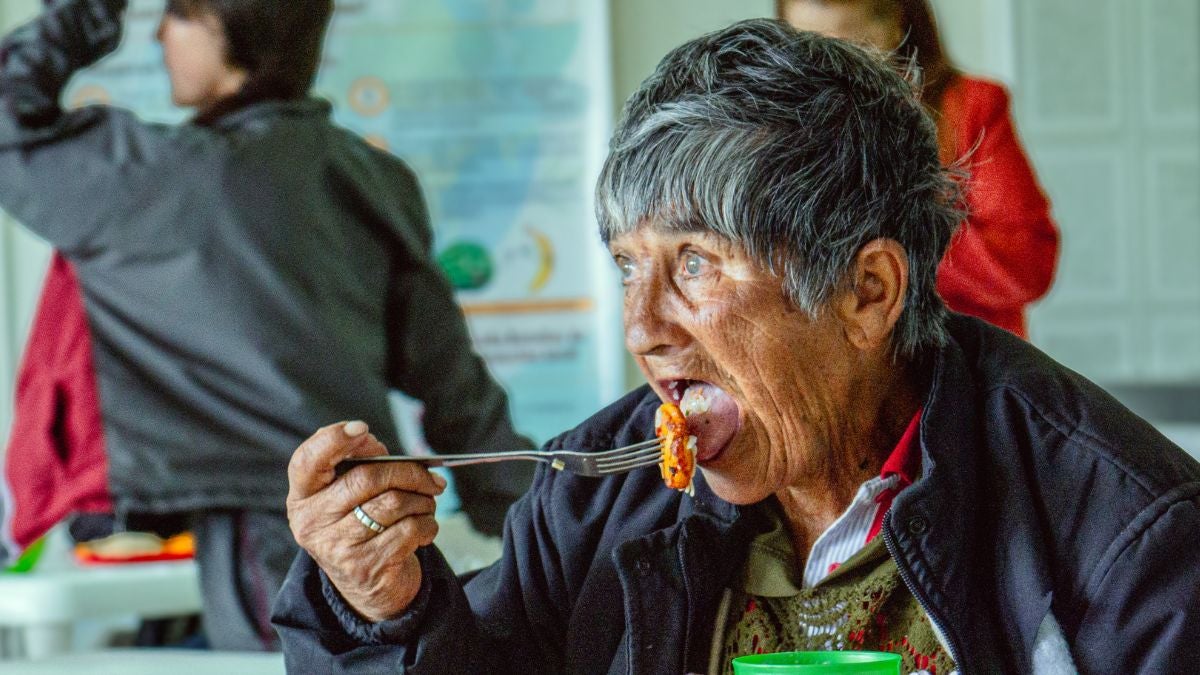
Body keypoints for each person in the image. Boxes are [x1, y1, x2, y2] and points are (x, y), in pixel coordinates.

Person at [273, 20, 1200, 673]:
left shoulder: (1127, 534)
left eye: (696, 264)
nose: (642, 327)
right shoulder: (596, 494)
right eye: (629, 266)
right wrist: (380, 610)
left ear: (867, 292)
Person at [0, 0, 533, 651]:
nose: (161, 33)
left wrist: (90, 10)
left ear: (232, 30)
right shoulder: (371, 175)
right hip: (361, 524)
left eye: (179, 13)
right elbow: (455, 387)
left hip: (268, 548)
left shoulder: (160, 177)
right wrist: (533, 531)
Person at [779, 0, 1060, 339]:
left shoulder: (969, 109)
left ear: (897, 27)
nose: (825, 69)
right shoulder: (776, 128)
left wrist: (906, 230)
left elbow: (1027, 266)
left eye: (848, 46)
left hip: (956, 351)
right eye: (806, 50)